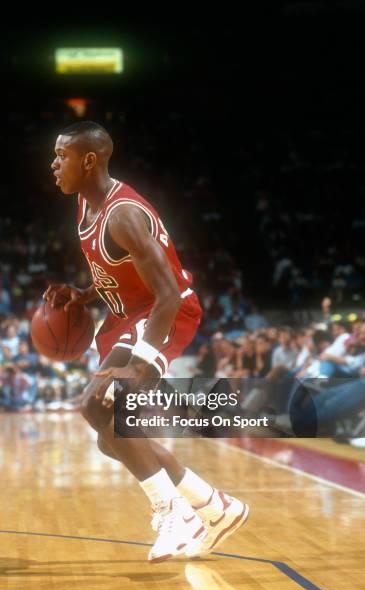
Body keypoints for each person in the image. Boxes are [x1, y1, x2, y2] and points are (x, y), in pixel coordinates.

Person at [45, 121, 249, 563]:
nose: (54, 164)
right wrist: (83, 293)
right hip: (128, 316)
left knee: (96, 406)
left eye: (61, 156)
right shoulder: (85, 203)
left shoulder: (123, 215)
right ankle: (214, 505)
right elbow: (118, 273)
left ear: (89, 160)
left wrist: (141, 361)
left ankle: (174, 512)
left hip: (167, 312)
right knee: (111, 436)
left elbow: (169, 294)